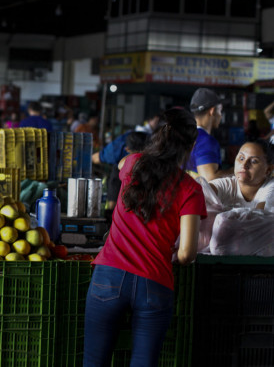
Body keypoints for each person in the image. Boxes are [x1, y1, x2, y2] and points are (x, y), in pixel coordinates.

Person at [83, 108, 205, 367]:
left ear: (158, 136)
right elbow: (186, 254)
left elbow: (119, 164)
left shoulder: (132, 164)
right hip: (154, 282)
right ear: (192, 145)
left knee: (94, 361)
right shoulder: (191, 189)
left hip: (108, 277)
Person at [208, 139, 274, 209]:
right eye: (241, 158)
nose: (244, 165)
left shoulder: (271, 187)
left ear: (268, 169)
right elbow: (200, 194)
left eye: (254, 161)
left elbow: (259, 216)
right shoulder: (226, 185)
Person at [187, 88, 229, 181]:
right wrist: (236, 172)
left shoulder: (185, 136)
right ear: (212, 111)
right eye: (220, 111)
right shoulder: (205, 141)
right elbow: (209, 178)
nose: (221, 115)